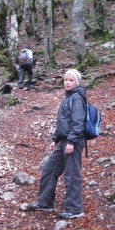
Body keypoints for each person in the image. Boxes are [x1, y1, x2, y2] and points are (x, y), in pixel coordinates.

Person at [27, 68, 86, 219]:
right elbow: (63, 122)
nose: (67, 82)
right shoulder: (68, 97)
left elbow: (78, 122)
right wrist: (55, 139)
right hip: (64, 140)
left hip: (73, 141)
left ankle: (75, 209)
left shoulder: (77, 98)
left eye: (71, 80)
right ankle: (45, 203)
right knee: (49, 168)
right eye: (66, 80)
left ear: (77, 82)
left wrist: (72, 141)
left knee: (72, 174)